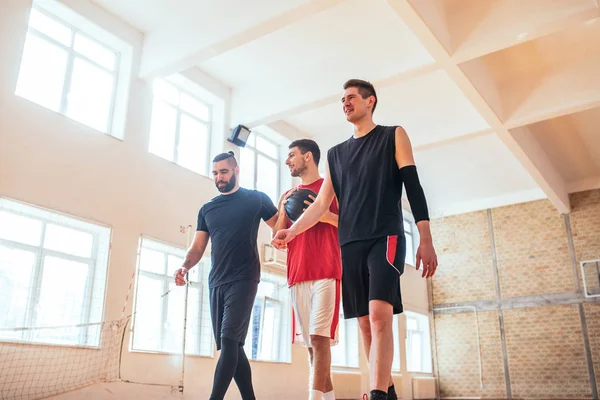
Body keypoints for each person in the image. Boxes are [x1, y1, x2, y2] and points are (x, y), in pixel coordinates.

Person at [272, 79, 438, 400]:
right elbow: (320, 204)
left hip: (385, 236)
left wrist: (425, 236)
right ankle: (387, 392)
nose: (345, 103)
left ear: (370, 101)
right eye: (342, 99)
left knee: (379, 314)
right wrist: (291, 231)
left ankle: (375, 394)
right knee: (364, 324)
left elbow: (413, 187)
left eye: (351, 97)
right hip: (349, 244)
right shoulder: (335, 154)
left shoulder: (393, 135)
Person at [175, 151, 278, 400]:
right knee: (233, 346)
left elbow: (281, 226)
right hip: (217, 281)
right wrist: (184, 266)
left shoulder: (256, 199)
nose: (219, 177)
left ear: (236, 171)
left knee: (230, 340)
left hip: (245, 277)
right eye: (215, 173)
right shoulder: (208, 209)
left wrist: (286, 206)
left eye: (224, 171)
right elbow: (198, 246)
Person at [274, 139, 341, 400]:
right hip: (297, 273)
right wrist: (281, 208)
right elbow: (278, 237)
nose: (287, 161)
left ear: (308, 156)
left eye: (292, 155)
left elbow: (350, 223)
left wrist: (323, 215)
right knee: (312, 347)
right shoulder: (289, 196)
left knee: (319, 337)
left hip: (326, 269)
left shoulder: (331, 188)